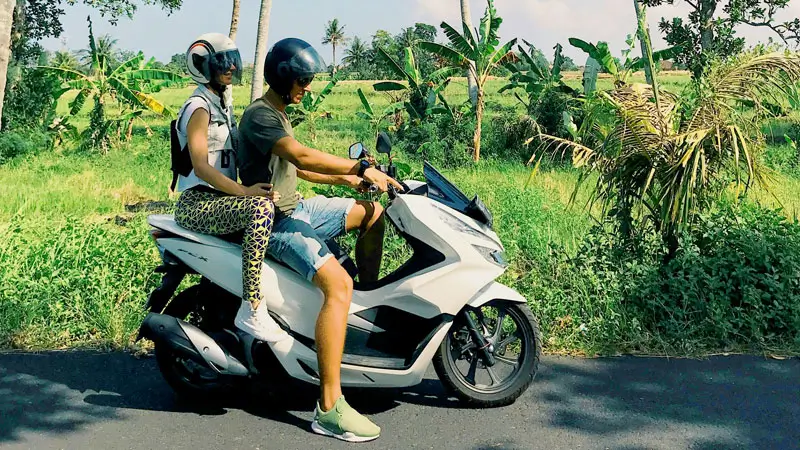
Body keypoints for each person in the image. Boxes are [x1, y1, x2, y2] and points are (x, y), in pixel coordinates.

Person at [237, 38, 403, 443]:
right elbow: (303, 156)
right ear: (284, 78)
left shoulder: (279, 110)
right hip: (273, 222)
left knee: (372, 215)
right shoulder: (261, 116)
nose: (308, 88)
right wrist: (360, 165)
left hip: (298, 208)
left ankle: (361, 302)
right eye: (304, 81)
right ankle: (328, 408)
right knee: (337, 285)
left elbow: (300, 169)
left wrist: (345, 179)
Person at [173, 33, 288, 343]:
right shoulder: (199, 107)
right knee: (260, 208)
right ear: (202, 66)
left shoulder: (221, 104)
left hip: (219, 201)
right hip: (197, 203)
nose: (229, 69)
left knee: (271, 205)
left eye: (231, 63)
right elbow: (201, 166)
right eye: (221, 63)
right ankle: (252, 307)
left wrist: (258, 187)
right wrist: (245, 192)